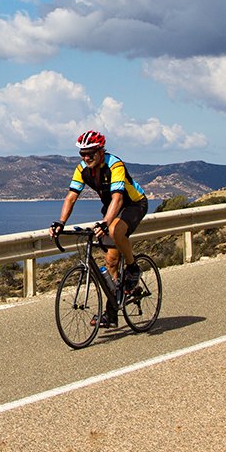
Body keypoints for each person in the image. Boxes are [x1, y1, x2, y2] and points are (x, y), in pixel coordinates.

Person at [49, 130, 148, 328]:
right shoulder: (82, 169)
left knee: (115, 231)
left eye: (90, 153)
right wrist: (60, 222)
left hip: (133, 204)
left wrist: (105, 222)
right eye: (82, 154)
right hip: (111, 208)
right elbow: (71, 197)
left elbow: (118, 198)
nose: (86, 158)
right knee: (110, 262)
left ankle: (133, 268)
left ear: (101, 151)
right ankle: (111, 314)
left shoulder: (115, 165)